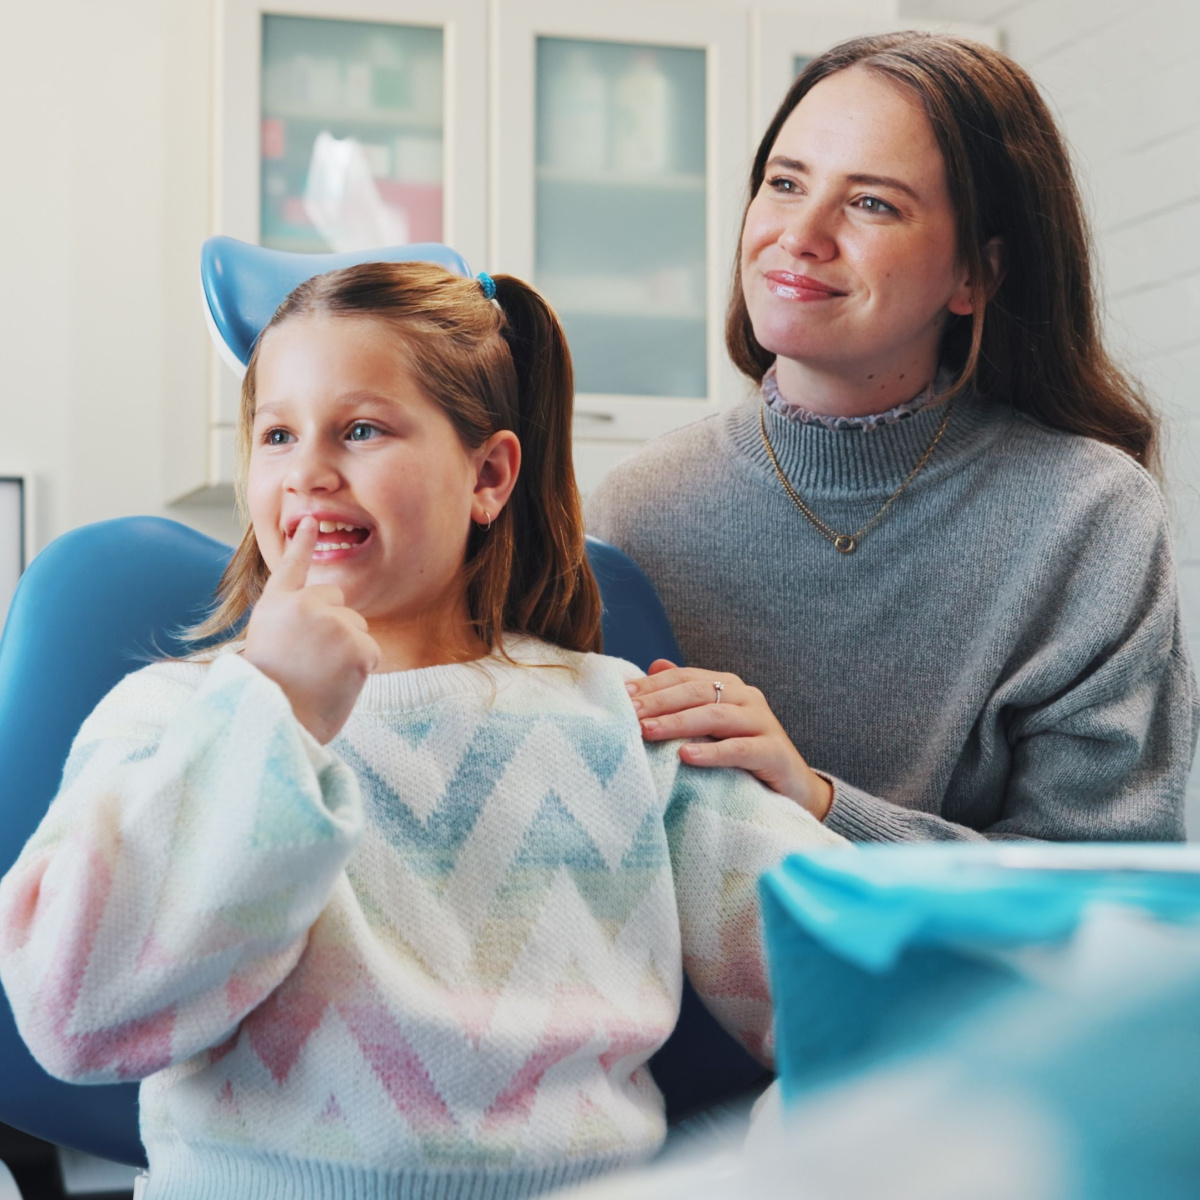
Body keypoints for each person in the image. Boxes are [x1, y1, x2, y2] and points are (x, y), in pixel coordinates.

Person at [0, 261, 844, 1200]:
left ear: (488, 476)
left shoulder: (622, 719)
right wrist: (271, 713)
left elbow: (864, 994)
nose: (310, 471)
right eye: (277, 434)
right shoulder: (176, 719)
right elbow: (75, 1016)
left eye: (360, 430)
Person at [587, 31, 1199, 843]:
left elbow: (1094, 888)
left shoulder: (1089, 518)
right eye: (784, 182)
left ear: (976, 275)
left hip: (974, 977)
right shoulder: (636, 511)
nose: (800, 233)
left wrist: (817, 804)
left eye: (872, 202)